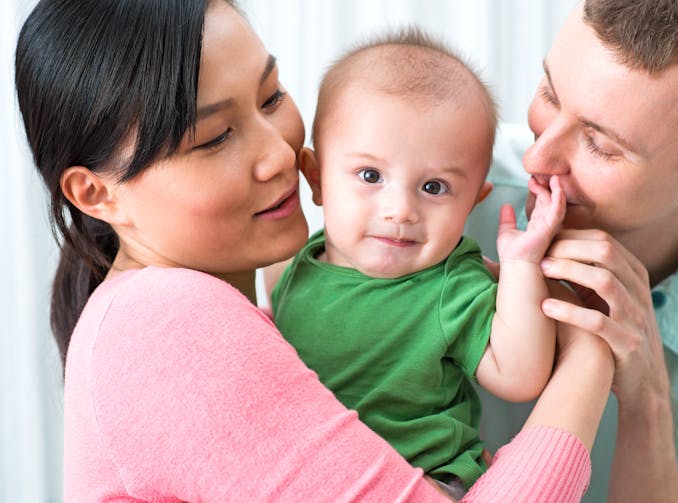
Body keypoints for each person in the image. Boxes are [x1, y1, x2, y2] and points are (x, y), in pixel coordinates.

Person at [16, 0, 614, 501]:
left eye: (272, 97)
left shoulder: (260, 295)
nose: (280, 154)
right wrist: (590, 353)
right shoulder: (164, 320)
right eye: (216, 136)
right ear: (95, 193)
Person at [465, 0, 678, 501]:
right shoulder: (439, 195)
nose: (537, 157)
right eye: (550, 95)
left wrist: (649, 403)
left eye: (600, 144)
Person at [270, 29, 568, 497]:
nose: (400, 210)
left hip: (429, 480)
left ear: (472, 203)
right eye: (371, 176)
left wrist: (522, 267)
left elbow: (521, 375)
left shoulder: (452, 283)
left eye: (434, 188)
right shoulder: (298, 265)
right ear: (316, 178)